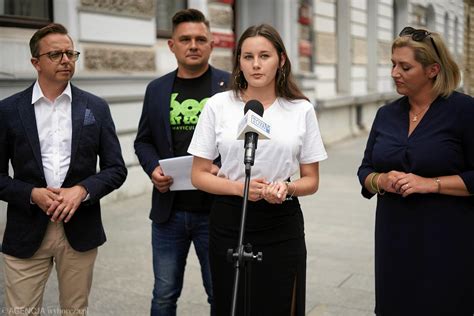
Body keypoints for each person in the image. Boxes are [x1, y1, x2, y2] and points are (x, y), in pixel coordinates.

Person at [188, 23, 327, 315]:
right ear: (238, 60)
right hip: (230, 219)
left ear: (281, 59)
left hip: (281, 221)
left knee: (278, 303)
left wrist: (287, 187)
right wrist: (241, 188)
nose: (256, 64)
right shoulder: (218, 105)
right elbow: (198, 174)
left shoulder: (301, 109)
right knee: (231, 303)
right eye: (248, 56)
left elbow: (311, 180)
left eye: (264, 56)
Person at [0, 23, 127, 315]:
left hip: (80, 228)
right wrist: (32, 194)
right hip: (26, 229)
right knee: (20, 311)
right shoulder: (8, 111)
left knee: (74, 311)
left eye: (70, 53)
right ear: (36, 62)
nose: (66, 60)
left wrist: (81, 191)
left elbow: (116, 169)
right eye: (56, 54)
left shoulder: (96, 107)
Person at [358, 26, 474, 316]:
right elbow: (365, 170)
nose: (395, 72)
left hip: (447, 238)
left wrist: (430, 184)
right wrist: (381, 180)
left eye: (405, 66)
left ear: (433, 69)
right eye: (393, 64)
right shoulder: (386, 114)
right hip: (393, 236)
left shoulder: (464, 111)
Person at [134, 8, 229, 316]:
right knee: (163, 294)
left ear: (212, 44)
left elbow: (247, 145)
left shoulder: (232, 88)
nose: (193, 45)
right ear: (171, 45)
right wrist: (152, 168)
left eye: (201, 39)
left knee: (221, 293)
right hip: (169, 212)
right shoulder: (157, 89)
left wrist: (221, 167)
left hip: (217, 211)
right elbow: (143, 140)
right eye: (185, 39)